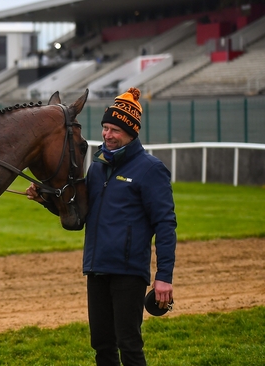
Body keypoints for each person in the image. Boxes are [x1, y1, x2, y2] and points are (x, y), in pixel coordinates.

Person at [26, 87, 176, 366]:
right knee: (102, 346)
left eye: (115, 130)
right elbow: (82, 215)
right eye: (105, 128)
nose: (107, 135)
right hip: (96, 269)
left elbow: (166, 225)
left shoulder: (150, 169)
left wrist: (164, 276)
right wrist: (44, 200)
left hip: (129, 272)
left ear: (131, 132)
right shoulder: (97, 167)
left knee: (129, 345)